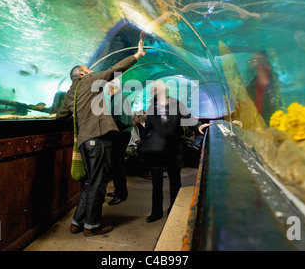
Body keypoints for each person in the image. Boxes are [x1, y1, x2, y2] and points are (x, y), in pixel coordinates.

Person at [56, 39, 146, 236]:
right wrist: (137, 56)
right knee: (98, 183)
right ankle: (92, 225)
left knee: (89, 182)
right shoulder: (89, 80)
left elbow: (61, 115)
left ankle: (77, 222)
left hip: (84, 142)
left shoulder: (70, 93)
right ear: (81, 73)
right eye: (87, 69)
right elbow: (114, 70)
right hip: (98, 139)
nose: (90, 71)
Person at [139, 81, 212, 223]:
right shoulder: (151, 108)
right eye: (153, 88)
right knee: (156, 183)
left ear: (164, 89)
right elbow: (147, 129)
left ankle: (175, 209)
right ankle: (156, 212)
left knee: (175, 182)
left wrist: (199, 127)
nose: (155, 89)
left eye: (157, 87)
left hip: (173, 150)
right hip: (156, 151)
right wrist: (142, 147)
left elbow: (189, 120)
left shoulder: (177, 104)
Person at [105, 77, 132, 206]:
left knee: (118, 164)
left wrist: (105, 125)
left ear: (111, 87)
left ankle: (121, 194)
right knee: (117, 164)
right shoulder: (118, 97)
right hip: (121, 135)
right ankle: (118, 191)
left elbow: (121, 121)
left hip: (120, 135)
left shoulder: (119, 98)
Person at [245, 51, 281, 124]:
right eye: (253, 61)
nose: (258, 65)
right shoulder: (251, 86)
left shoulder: (278, 81)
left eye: (260, 61)